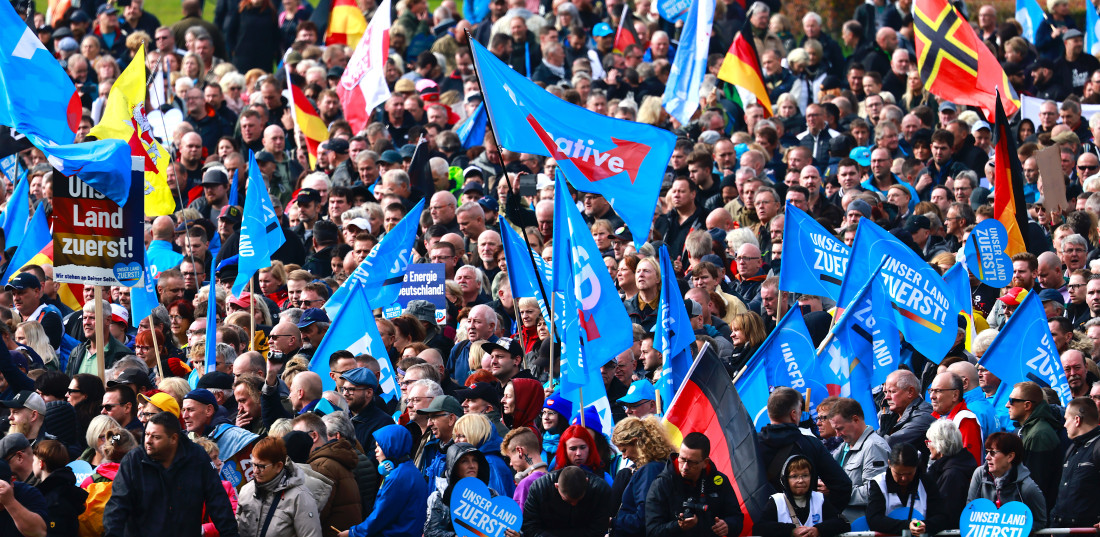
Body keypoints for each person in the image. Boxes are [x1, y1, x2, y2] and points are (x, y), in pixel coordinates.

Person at [102, 411, 239, 536]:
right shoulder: (133, 461)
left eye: (156, 437)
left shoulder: (197, 458)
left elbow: (218, 501)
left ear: (173, 438)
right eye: (147, 434)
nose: (148, 441)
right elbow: (117, 506)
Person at [759, 388, 852, 511]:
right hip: (807, 523)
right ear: (793, 414)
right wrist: (823, 516)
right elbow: (843, 486)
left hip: (763, 524)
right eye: (799, 410)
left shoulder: (751, 445)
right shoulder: (812, 445)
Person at [645, 432, 744, 537]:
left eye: (692, 462)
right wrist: (678, 526)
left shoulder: (719, 481)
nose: (685, 467)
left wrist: (728, 526)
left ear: (705, 463)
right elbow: (652, 531)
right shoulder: (661, 484)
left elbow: (736, 518)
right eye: (682, 459)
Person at [340, 424, 429, 537]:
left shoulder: (397, 477)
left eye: (379, 446)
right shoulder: (409, 471)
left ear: (391, 446)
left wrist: (353, 532)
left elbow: (380, 515)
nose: (375, 450)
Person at [235, 436, 323, 537]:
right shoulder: (246, 490)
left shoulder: (300, 497)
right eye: (253, 465)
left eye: (261, 466)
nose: (255, 471)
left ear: (278, 466)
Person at [967, 432, 1048, 530]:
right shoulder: (979, 474)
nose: (987, 457)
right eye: (987, 452)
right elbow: (970, 510)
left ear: (1010, 456)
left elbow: (1040, 521)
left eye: (993, 453)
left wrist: (1014, 530)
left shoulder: (1027, 487)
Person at [425, 442, 507, 537]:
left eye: (475, 460)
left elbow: (500, 530)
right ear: (454, 466)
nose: (472, 465)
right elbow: (430, 532)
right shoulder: (440, 497)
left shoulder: (491, 494)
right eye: (464, 461)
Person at [611, 416, 675, 537]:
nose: (624, 456)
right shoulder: (660, 465)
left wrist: (613, 522)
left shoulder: (650, 471)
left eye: (624, 450)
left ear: (636, 442)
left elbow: (644, 517)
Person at [828, 396, 889, 522]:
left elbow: (873, 493)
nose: (837, 435)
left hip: (862, 526)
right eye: (835, 430)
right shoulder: (844, 446)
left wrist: (835, 492)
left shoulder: (874, 446)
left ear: (855, 419)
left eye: (840, 428)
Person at [757, 455, 850, 537]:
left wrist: (818, 530)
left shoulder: (819, 499)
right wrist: (791, 531)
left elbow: (842, 523)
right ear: (785, 479)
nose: (800, 480)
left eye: (805, 475)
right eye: (794, 476)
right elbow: (761, 527)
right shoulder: (777, 501)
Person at [866, 443, 948, 535]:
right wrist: (907, 525)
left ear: (916, 467)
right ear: (889, 464)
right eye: (898, 474)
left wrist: (924, 525)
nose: (904, 478)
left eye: (909, 474)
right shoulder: (879, 483)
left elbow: (941, 517)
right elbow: (874, 519)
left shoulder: (926, 482)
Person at [523, 465, 616, 537]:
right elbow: (530, 527)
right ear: (556, 486)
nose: (574, 504)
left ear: (587, 482)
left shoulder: (600, 490)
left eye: (578, 500)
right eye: (567, 500)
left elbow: (598, 529)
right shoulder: (539, 489)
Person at [1050, 397, 1100, 527]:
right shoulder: (1072, 448)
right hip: (1062, 530)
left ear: (1077, 420)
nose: (1064, 424)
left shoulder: (1098, 447)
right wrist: (1054, 526)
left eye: (1066, 420)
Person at [924, 420, 976, 530]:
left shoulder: (952, 475)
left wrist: (920, 525)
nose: (927, 446)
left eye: (929, 442)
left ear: (939, 445)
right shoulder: (951, 468)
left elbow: (945, 515)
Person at [501, 427, 548, 509]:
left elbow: (519, 520)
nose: (511, 464)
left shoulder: (525, 485)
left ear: (520, 451)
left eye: (510, 457)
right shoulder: (555, 478)